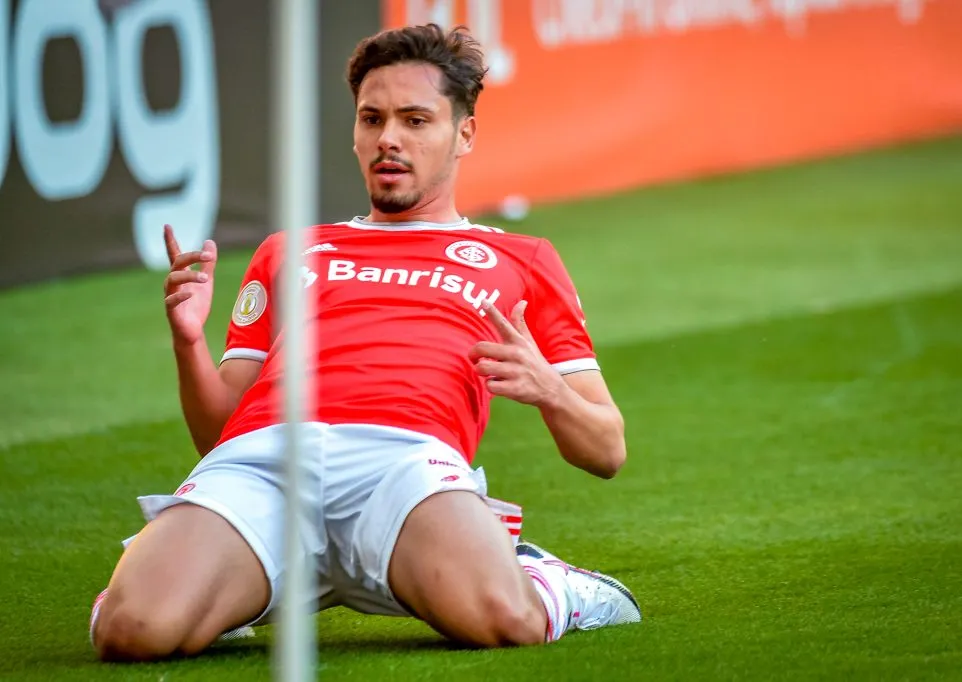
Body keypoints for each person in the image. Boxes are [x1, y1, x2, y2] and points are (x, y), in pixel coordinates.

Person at [90, 23, 640, 662]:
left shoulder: (521, 257)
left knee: (500, 616)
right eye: (372, 118)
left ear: (464, 133)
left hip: (406, 465)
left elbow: (606, 449)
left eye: (415, 120)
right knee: (130, 631)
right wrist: (188, 344)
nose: (389, 140)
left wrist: (547, 389)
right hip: (270, 458)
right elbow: (219, 434)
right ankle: (215, 587)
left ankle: (553, 583)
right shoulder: (287, 250)